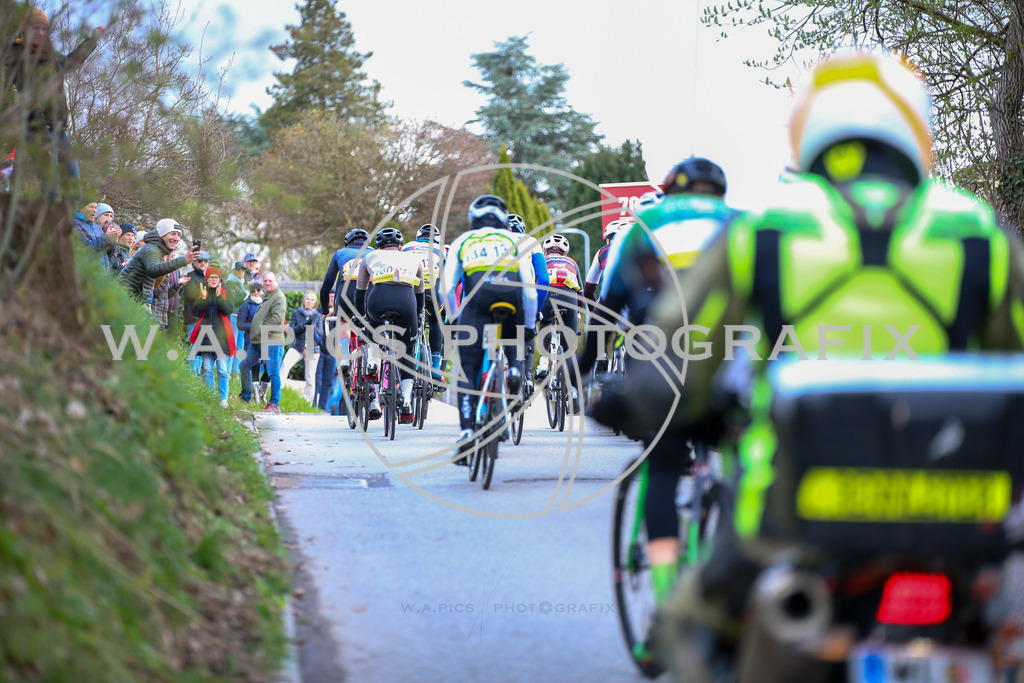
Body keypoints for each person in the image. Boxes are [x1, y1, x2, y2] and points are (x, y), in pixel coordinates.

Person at [600, 52, 1024, 677]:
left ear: (810, 132)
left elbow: (678, 363)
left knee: (690, 624)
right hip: (960, 514)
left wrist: (625, 401)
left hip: (790, 512)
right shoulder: (976, 232)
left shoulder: (767, 229)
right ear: (917, 131)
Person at [442, 195, 538, 462]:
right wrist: (529, 326)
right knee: (515, 340)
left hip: (478, 302)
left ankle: (466, 432)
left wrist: (454, 319)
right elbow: (530, 290)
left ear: (473, 218)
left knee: (468, 369)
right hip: (512, 298)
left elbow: (447, 288)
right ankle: (515, 370)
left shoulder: (463, 241)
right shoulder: (515, 241)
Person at [0, 8, 104, 200]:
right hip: (38, 130)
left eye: (44, 29)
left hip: (59, 131)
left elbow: (70, 63)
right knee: (52, 185)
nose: (41, 33)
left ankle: (64, 219)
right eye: (36, 28)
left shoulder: (50, 56)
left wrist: (91, 41)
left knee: (74, 189)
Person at [356, 227, 424, 424]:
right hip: (406, 302)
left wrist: (361, 316)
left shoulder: (369, 257)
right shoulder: (414, 258)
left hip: (378, 299)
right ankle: (407, 402)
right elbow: (420, 295)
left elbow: (360, 292)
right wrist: (416, 317)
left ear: (379, 246)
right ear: (400, 246)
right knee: (407, 352)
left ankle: (372, 362)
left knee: (373, 329)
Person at [534, 233, 585, 413]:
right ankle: (574, 393)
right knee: (569, 348)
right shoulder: (572, 262)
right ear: (565, 252)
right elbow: (581, 293)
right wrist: (577, 312)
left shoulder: (541, 260)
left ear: (546, 251)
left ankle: (543, 362)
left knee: (546, 323)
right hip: (569, 298)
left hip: (548, 295)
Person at [319, 228, 373, 380]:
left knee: (343, 321)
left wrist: (325, 310)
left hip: (347, 294)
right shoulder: (375, 253)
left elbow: (326, 286)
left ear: (347, 243)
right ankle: (372, 361)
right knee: (372, 323)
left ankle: (344, 357)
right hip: (370, 293)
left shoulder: (340, 253)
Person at [401, 224, 448, 379]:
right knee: (436, 319)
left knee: (408, 318)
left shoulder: (407, 247)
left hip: (410, 287)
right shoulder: (441, 250)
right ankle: (435, 364)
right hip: (431, 289)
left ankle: (406, 355)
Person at [117, 218, 200, 302]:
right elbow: (153, 270)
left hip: (130, 298)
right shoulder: (151, 249)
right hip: (122, 297)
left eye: (178, 235)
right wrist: (183, 260)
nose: (176, 238)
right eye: (172, 234)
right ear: (162, 234)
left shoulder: (158, 250)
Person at [240, 271, 287, 412]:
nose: (267, 283)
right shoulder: (267, 296)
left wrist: (260, 328)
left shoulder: (279, 297)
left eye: (270, 281)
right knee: (244, 365)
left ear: (276, 281)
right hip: (258, 341)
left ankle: (274, 403)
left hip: (271, 340)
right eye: (265, 281)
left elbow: (277, 319)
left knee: (273, 372)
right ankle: (245, 396)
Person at [189, 266, 235, 406]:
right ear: (207, 279)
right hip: (205, 338)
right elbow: (196, 312)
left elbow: (228, 310)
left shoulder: (226, 292)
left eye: (216, 277)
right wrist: (203, 298)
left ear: (219, 279)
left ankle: (223, 399)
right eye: (211, 277)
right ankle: (210, 398)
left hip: (222, 339)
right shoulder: (203, 292)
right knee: (207, 369)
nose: (213, 280)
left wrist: (219, 296)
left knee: (222, 370)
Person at [279, 291, 323, 404]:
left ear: (315, 303)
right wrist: (303, 326)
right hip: (297, 347)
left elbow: (321, 334)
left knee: (310, 377)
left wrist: (312, 327)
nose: (309, 301)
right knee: (285, 365)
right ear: (304, 300)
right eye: (307, 299)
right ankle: (277, 392)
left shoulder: (318, 316)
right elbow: (291, 331)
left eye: (312, 300)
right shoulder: (296, 313)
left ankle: (307, 402)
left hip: (312, 349)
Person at [236, 281, 267, 402]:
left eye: (258, 290)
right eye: (253, 291)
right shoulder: (246, 306)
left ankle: (261, 395)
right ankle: (248, 395)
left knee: (267, 367)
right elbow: (240, 325)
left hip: (266, 340)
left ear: (262, 291)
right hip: (251, 340)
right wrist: (255, 325)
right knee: (251, 366)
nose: (256, 293)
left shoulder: (267, 304)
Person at [71, 200, 117, 270]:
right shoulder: (74, 224)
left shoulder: (97, 227)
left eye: (96, 207)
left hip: (102, 274)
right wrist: (106, 237)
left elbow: (108, 254)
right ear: (81, 208)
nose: (94, 210)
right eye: (91, 207)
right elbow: (85, 249)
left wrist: (112, 241)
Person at [225, 261, 249, 377]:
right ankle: (228, 372)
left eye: (243, 270)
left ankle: (237, 372)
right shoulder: (229, 283)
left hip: (242, 318)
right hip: (233, 317)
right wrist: (247, 292)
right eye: (238, 269)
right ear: (233, 270)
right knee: (232, 344)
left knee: (240, 346)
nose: (241, 272)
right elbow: (234, 301)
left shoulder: (241, 283)